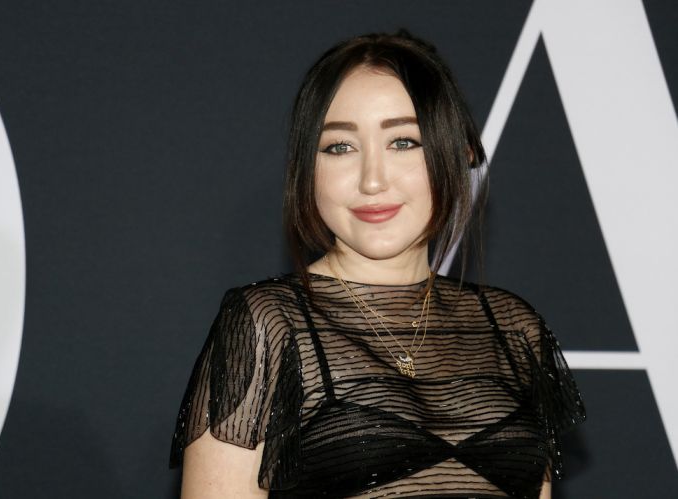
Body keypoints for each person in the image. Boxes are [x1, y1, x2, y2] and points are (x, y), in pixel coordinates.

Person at [168, 29, 586, 499]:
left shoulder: (514, 328)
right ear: (307, 169)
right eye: (340, 147)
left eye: (403, 142)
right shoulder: (269, 324)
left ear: (459, 153)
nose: (372, 180)